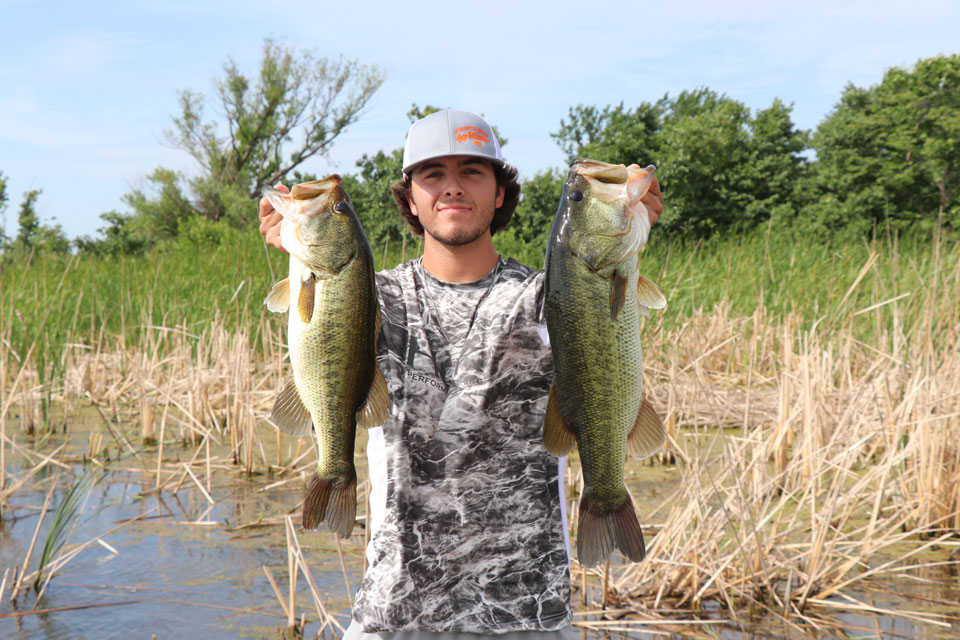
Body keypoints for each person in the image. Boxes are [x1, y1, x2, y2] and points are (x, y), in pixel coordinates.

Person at [258, 109, 662, 639]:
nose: (452, 188)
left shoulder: (547, 297)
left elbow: (603, 322)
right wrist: (297, 239)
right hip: (395, 613)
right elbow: (325, 331)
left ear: (499, 193)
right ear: (409, 199)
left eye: (472, 171)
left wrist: (631, 222)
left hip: (526, 613)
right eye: (433, 174)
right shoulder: (372, 297)